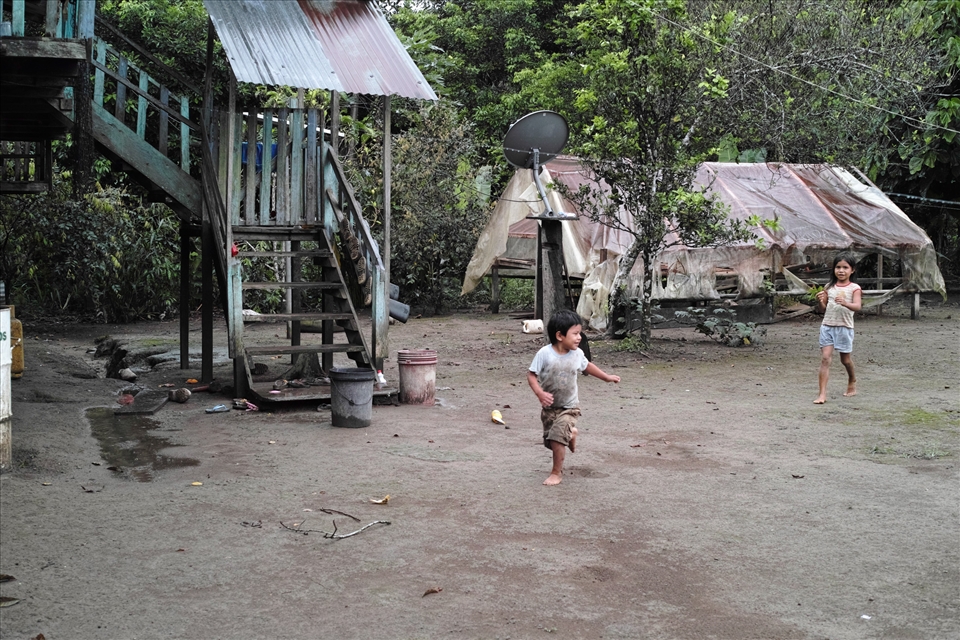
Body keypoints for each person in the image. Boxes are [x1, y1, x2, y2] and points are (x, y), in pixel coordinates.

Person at [528, 309, 620, 485]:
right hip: (549, 409)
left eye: (580, 333)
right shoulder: (544, 354)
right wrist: (539, 393)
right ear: (559, 336)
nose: (579, 337)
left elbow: (587, 367)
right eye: (575, 333)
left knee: (557, 438)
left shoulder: (577, 354)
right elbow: (531, 375)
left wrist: (607, 377)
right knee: (550, 442)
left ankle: (556, 473)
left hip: (570, 407)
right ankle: (571, 434)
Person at [814, 254, 862, 404]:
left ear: (852, 270)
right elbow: (822, 309)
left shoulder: (854, 288)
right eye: (838, 267)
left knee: (845, 360)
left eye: (845, 267)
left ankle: (852, 379)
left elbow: (857, 306)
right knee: (825, 358)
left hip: (844, 327)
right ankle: (822, 394)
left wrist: (845, 303)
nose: (841, 271)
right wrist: (820, 301)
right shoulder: (829, 287)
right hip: (827, 326)